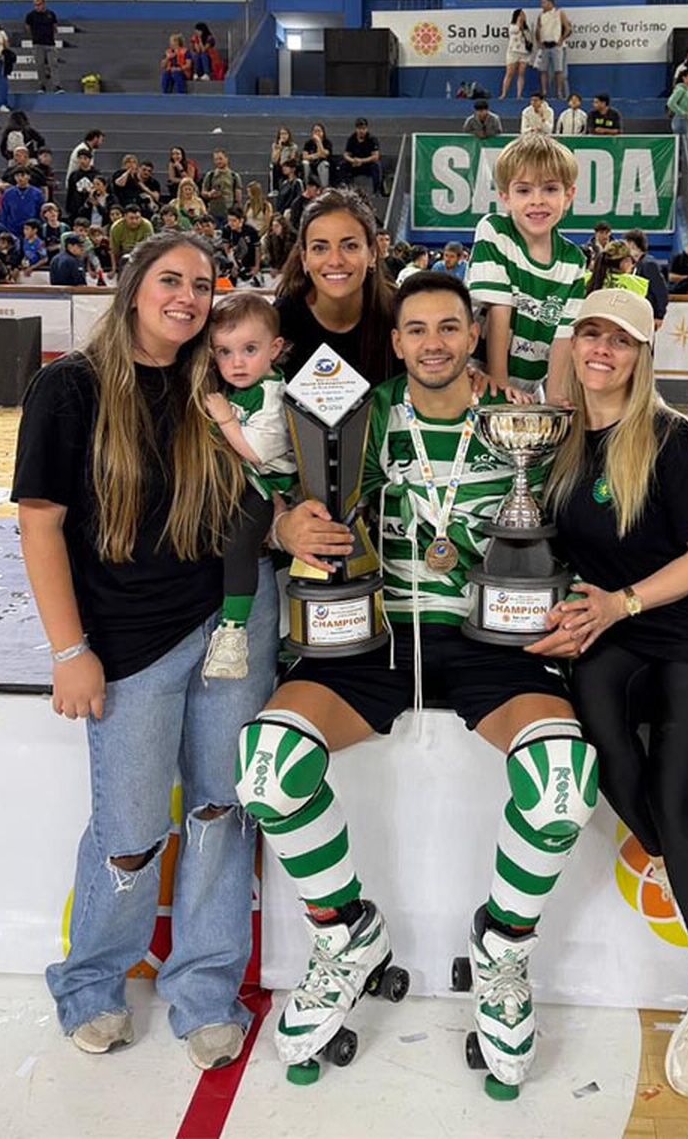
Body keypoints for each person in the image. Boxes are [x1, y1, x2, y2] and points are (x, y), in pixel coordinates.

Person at [240, 269, 599, 1095]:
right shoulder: (359, 414)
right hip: (375, 634)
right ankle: (345, 934)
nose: (433, 343)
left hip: (489, 640)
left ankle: (502, 951)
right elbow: (278, 485)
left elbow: (575, 527)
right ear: (396, 341)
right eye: (416, 330)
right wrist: (285, 523)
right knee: (265, 767)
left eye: (448, 327)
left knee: (562, 782)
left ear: (474, 335)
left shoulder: (522, 419)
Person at [14, 231, 278, 1072]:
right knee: (130, 831)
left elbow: (265, 487)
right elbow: (40, 525)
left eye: (203, 285)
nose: (188, 298)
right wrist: (70, 650)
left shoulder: (215, 385)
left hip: (232, 625)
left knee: (220, 813)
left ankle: (205, 990)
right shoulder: (70, 388)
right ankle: (91, 982)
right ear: (133, 287)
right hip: (129, 643)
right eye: (172, 279)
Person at [531, 287, 688, 1099]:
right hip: (609, 630)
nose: (601, 350)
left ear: (642, 354)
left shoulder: (671, 439)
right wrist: (566, 611)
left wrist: (623, 603)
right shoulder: (559, 440)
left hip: (683, 630)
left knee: (677, 795)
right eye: (590, 334)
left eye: (618, 339)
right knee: (611, 757)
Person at [200, 293, 297, 679]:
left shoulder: (272, 394)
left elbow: (255, 453)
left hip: (267, 488)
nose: (237, 362)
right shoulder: (241, 387)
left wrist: (224, 419)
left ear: (274, 349)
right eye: (225, 352)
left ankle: (234, 632)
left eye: (249, 350)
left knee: (239, 542)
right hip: (236, 481)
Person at [467, 133, 585, 397]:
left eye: (550, 189)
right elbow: (499, 311)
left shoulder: (574, 260)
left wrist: (555, 400)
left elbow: (563, 338)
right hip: (479, 380)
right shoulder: (495, 230)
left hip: (529, 388)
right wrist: (500, 387)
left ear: (569, 195)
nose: (537, 200)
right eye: (524, 190)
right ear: (505, 197)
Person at [273, 187, 396, 386]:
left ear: (372, 254)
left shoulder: (400, 317)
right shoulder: (279, 322)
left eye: (350, 246)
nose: (335, 260)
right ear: (304, 258)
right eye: (320, 248)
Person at [623, 230, 669, 323]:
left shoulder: (649, 264)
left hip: (647, 313)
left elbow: (660, 292)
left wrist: (659, 315)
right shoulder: (636, 264)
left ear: (633, 245)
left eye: (626, 244)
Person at [536, 0, 572, 99]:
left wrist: (561, 39)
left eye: (544, 2)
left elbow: (568, 28)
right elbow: (538, 29)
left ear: (550, 3)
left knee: (558, 70)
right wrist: (539, 41)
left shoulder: (559, 13)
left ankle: (559, 92)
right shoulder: (541, 15)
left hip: (556, 45)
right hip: (545, 45)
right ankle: (544, 92)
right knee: (543, 70)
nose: (542, 5)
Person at [25, 0, 63, 93]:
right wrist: (34, 37)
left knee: (53, 64)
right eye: (36, 5)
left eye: (39, 5)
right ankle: (41, 85)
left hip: (50, 43)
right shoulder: (31, 15)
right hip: (38, 44)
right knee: (40, 65)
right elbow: (27, 28)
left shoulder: (51, 14)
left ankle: (57, 86)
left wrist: (52, 36)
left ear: (44, 4)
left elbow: (55, 27)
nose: (37, 7)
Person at [343, 118, 385, 196]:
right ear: (356, 129)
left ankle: (377, 191)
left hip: (367, 164)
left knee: (376, 165)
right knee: (343, 165)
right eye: (359, 129)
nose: (361, 131)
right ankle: (346, 190)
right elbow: (346, 154)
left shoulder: (372, 139)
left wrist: (361, 161)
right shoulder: (352, 139)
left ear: (367, 129)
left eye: (363, 129)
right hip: (355, 165)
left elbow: (376, 156)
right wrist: (352, 160)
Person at [221, 206, 262, 285]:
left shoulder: (251, 231)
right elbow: (227, 249)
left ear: (241, 220)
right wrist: (233, 265)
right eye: (229, 220)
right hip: (235, 263)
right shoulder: (226, 230)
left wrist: (257, 266)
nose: (231, 223)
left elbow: (257, 249)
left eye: (234, 221)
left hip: (250, 263)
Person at [0, 169, 44, 240]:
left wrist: (38, 226)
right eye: (17, 176)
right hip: (13, 228)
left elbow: (40, 211)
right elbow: (4, 212)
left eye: (22, 175)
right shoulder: (8, 193)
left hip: (31, 228)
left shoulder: (37, 193)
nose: (20, 178)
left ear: (29, 177)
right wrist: (5, 228)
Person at [110, 204, 155, 275]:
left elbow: (151, 248)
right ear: (125, 217)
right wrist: (114, 268)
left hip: (142, 253)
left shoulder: (147, 225)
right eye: (131, 218)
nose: (134, 221)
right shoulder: (116, 227)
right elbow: (114, 250)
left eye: (137, 218)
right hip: (124, 254)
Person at [202, 148, 243, 221]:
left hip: (229, 213)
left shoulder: (234, 176)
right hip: (213, 212)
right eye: (216, 159)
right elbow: (203, 192)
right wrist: (209, 194)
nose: (218, 161)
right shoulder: (210, 175)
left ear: (226, 159)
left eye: (220, 159)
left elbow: (238, 197)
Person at [501, 8, 532, 100]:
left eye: (524, 15)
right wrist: (519, 22)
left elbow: (529, 40)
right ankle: (504, 94)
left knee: (521, 73)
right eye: (521, 15)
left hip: (524, 53)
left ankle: (519, 95)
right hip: (513, 52)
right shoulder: (512, 26)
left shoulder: (527, 29)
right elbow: (516, 30)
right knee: (510, 73)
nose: (523, 17)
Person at [667, 69, 688, 161]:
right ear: (684, 78)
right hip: (681, 121)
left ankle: (686, 166)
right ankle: (680, 166)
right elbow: (671, 103)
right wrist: (682, 112)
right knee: (683, 146)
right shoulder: (680, 89)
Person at [270, 127, 301, 195]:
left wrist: (284, 164)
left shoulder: (293, 146)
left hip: (289, 165)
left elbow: (292, 159)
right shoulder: (275, 145)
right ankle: (275, 190)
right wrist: (280, 148)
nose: (283, 136)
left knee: (292, 167)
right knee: (274, 167)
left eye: (285, 134)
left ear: (289, 135)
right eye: (281, 134)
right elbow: (274, 160)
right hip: (279, 166)